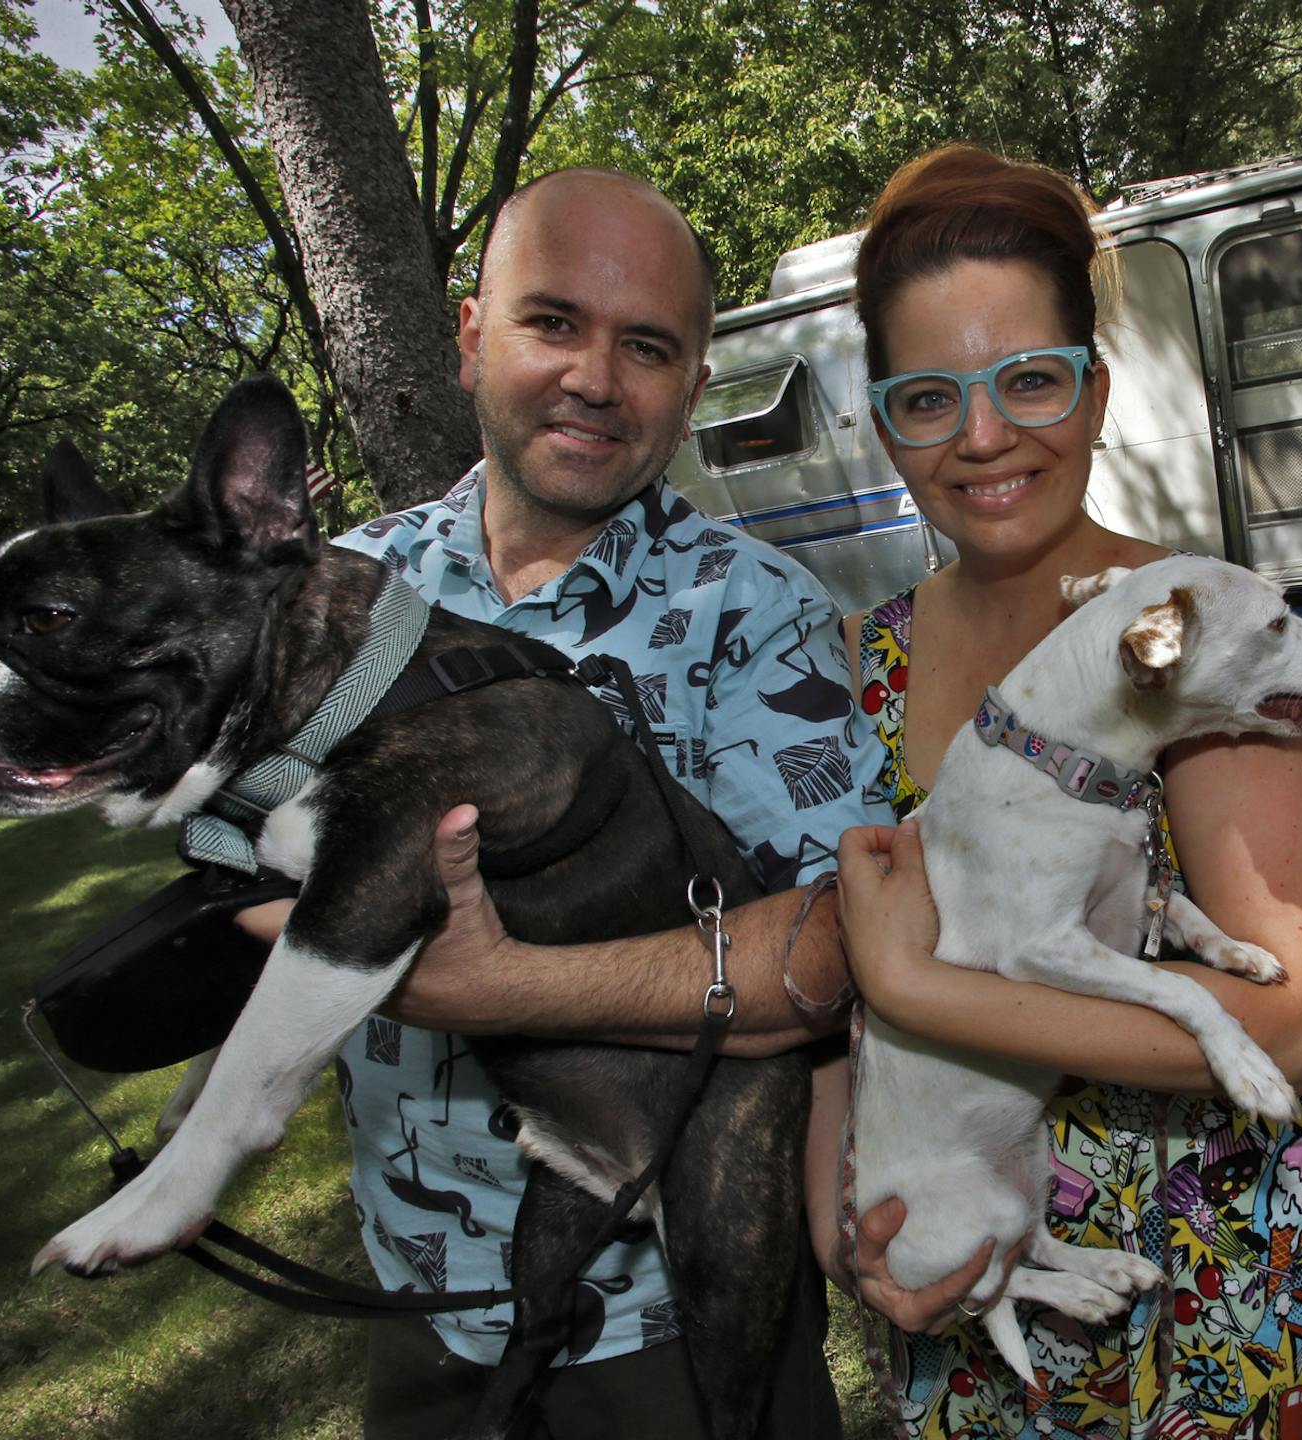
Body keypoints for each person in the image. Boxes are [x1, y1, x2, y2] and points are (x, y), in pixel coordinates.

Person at [814, 146, 1302, 1439]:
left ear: (1096, 393)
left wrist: (920, 987)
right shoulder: (858, 668)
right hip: (981, 1288)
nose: (983, 438)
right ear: (884, 424)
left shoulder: (1197, 633)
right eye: (930, 399)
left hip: (1217, 1293)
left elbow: (1297, 1020)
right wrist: (846, 1220)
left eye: (1029, 380)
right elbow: (833, 1001)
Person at [277, 166, 886, 1438]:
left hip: (681, 1323)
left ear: (693, 386)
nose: (596, 379)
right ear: (470, 334)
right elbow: (244, 846)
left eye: (647, 346)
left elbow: (834, 946)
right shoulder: (342, 597)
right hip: (420, 1296)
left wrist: (488, 987)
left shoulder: (754, 610)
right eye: (552, 321)